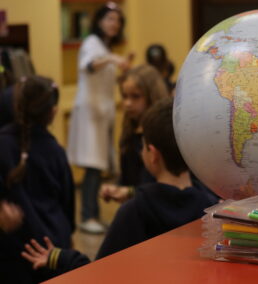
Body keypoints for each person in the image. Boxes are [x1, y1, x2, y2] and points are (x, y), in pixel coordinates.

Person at [21, 98, 219, 274]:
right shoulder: (213, 211)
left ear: (152, 154)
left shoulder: (133, 213)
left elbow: (99, 274)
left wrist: (60, 257)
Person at [0, 75, 75, 284]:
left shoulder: (3, 144)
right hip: (51, 248)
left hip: (14, 250)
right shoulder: (56, 152)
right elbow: (67, 203)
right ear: (53, 112)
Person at [67, 2, 133, 234]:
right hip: (90, 114)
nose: (114, 24)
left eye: (118, 20)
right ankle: (87, 216)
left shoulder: (103, 47)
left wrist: (121, 68)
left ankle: (92, 214)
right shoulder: (92, 43)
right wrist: (115, 59)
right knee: (92, 167)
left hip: (101, 113)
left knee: (96, 167)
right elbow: (90, 65)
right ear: (99, 21)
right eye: (110, 19)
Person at [100, 64, 169, 203]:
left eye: (135, 97)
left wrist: (131, 192)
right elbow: (129, 175)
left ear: (152, 96)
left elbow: (162, 186)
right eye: (124, 96)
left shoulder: (162, 133)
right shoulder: (130, 128)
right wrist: (117, 188)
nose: (127, 103)